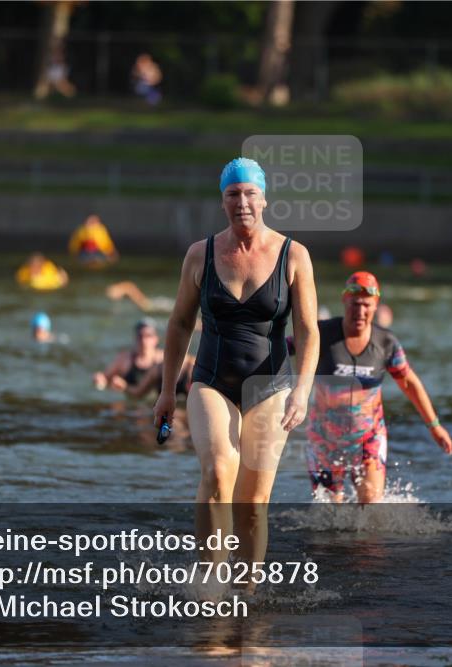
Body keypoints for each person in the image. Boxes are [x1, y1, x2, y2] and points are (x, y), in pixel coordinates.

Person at [154, 157, 319, 580]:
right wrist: (166, 390)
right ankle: (210, 585)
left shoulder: (293, 255)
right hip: (211, 381)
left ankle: (247, 592)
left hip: (271, 386)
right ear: (222, 201)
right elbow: (178, 324)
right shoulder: (200, 254)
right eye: (233, 194)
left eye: (250, 193)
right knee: (217, 472)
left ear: (264, 199)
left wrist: (302, 391)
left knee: (253, 501)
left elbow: (308, 330)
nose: (241, 202)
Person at [300, 271, 452, 503]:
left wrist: (434, 426)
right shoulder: (321, 334)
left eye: (366, 305)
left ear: (376, 305)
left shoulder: (386, 343)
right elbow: (281, 349)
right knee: (329, 513)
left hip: (368, 437)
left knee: (371, 507)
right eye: (355, 304)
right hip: (324, 439)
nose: (360, 312)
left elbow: (409, 383)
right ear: (344, 301)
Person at [95, 318, 193, 398]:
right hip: (135, 394)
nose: (143, 340)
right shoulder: (124, 359)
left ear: (156, 339)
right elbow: (105, 377)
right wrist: (100, 379)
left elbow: (190, 360)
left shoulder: (164, 358)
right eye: (140, 336)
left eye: (148, 336)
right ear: (135, 338)